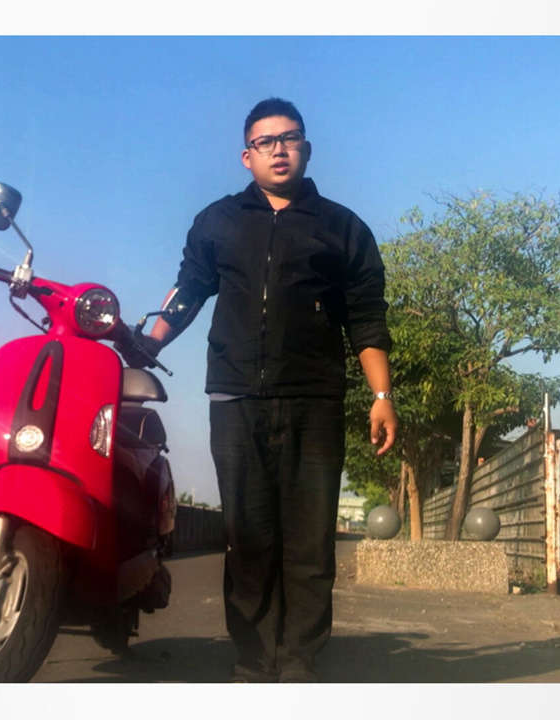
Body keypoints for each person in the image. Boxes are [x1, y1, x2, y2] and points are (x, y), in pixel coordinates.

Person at [133, 97, 397, 682]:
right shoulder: (218, 221)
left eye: (290, 138)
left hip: (315, 401)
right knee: (248, 537)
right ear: (246, 156)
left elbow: (367, 317)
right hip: (235, 400)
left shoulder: (343, 228)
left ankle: (299, 662)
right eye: (266, 142)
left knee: (309, 542)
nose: (279, 150)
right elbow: (188, 291)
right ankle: (252, 662)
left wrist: (382, 397)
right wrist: (149, 344)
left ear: (307, 148)